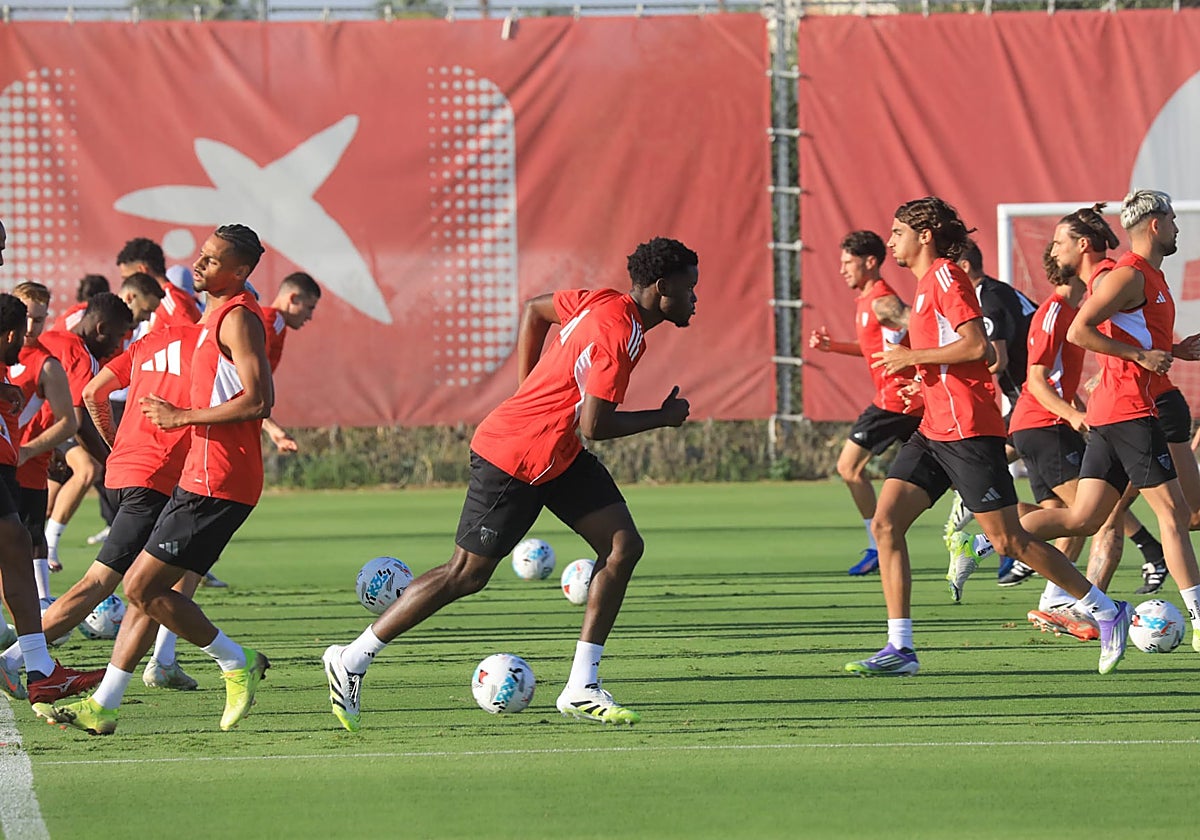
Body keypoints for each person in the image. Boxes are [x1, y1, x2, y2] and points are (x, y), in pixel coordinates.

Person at [321, 237, 698, 732]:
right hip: (518, 456)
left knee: (623, 547)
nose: (695, 298)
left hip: (557, 453)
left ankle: (581, 687)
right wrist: (665, 418)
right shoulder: (618, 334)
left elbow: (534, 311)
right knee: (465, 575)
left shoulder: (602, 300)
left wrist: (527, 391)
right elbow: (595, 425)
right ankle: (351, 658)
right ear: (662, 287)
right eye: (690, 288)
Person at [844, 196, 1129, 677]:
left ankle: (1105, 609)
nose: (891, 240)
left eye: (897, 232)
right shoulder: (921, 287)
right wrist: (925, 376)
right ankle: (901, 649)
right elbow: (953, 353)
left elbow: (977, 344)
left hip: (967, 431)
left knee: (1010, 542)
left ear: (925, 234)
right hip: (934, 429)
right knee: (886, 522)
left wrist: (913, 360)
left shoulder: (944, 276)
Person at [46, 224, 273, 735]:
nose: (200, 265)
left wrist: (181, 418)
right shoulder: (210, 314)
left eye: (214, 261)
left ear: (239, 273)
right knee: (148, 589)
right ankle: (106, 703)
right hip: (198, 474)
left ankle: (237, 662)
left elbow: (260, 401)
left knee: (141, 586)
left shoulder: (237, 317)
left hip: (220, 478)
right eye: (202, 255)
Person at [1018, 190, 1200, 652]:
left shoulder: (1149, 276)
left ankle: (991, 537)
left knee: (1085, 518)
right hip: (1130, 413)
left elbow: (1129, 332)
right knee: (1175, 516)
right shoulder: (1127, 274)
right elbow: (1082, 330)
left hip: (1113, 415)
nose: (1179, 227)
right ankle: (1199, 618)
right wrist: (1140, 355)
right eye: (1173, 220)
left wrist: (1171, 350)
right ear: (1156, 225)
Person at [5, 321, 205, 694]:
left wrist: (117, 444)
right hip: (157, 479)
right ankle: (14, 658)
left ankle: (163, 661)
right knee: (103, 582)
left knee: (176, 573)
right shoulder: (209, 346)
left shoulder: (148, 343)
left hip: (132, 471)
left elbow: (96, 392)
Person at [0, 230, 106, 705]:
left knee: (18, 545)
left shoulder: (40, 361)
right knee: (16, 545)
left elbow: (67, 419)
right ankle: (40, 666)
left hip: (12, 461)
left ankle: (41, 667)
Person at [807, 230, 921, 576]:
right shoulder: (866, 300)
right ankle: (1002, 541)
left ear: (870, 262)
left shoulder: (882, 301)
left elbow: (923, 326)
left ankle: (875, 546)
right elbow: (873, 348)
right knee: (959, 474)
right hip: (903, 403)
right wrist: (833, 348)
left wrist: (918, 378)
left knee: (848, 467)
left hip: (895, 401)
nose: (842, 269)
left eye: (847, 262)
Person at [942, 240, 1038, 584]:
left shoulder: (988, 298)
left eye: (951, 270)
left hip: (1038, 402)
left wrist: (948, 374)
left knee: (1087, 510)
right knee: (1078, 507)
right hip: (1041, 398)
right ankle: (999, 540)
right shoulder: (1004, 292)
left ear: (964, 267)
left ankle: (978, 508)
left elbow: (997, 360)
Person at [39, 293, 134, 573]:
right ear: (101, 329)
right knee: (20, 527)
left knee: (32, 517)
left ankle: (40, 596)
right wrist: (113, 463)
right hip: (31, 442)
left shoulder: (52, 338)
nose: (118, 345)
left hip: (26, 437)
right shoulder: (83, 358)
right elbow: (79, 422)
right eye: (118, 336)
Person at [9, 283, 79, 602]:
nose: (29, 327)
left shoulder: (47, 364)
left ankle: (43, 605)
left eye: (38, 319)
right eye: (24, 316)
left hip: (27, 467)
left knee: (31, 538)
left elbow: (69, 422)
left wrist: (28, 450)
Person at [86, 272, 166, 547]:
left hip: (116, 402)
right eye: (145, 311)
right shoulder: (79, 328)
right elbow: (89, 393)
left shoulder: (130, 333)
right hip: (99, 404)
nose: (146, 319)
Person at [259, 271, 320, 453]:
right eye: (309, 307)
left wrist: (271, 429)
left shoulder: (277, 324)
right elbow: (241, 384)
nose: (309, 316)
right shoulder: (270, 322)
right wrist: (272, 427)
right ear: (293, 298)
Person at [116, 237, 201, 331]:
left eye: (127, 278)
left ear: (142, 270)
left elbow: (190, 338)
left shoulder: (171, 301)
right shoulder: (150, 303)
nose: (126, 286)